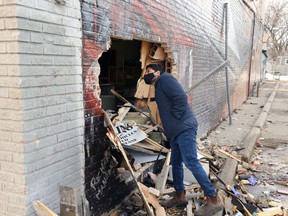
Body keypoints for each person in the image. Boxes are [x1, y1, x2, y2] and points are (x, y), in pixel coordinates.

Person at [143, 64, 223, 216]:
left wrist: (175, 117)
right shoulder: (159, 85)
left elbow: (181, 97)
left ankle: (214, 200)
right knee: (176, 163)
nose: (145, 75)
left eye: (148, 72)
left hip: (184, 128)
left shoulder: (165, 79)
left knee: (191, 162)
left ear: (158, 72)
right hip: (176, 131)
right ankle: (180, 196)